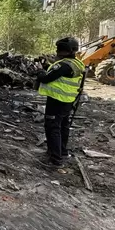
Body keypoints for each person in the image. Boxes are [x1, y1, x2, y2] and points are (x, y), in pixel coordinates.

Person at [36, 37, 85, 167]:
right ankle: (62, 151)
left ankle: (55, 159)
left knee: (53, 127)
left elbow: (46, 78)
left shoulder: (63, 65)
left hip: (57, 100)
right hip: (68, 101)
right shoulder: (77, 64)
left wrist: (40, 71)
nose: (58, 52)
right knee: (63, 126)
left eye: (60, 50)